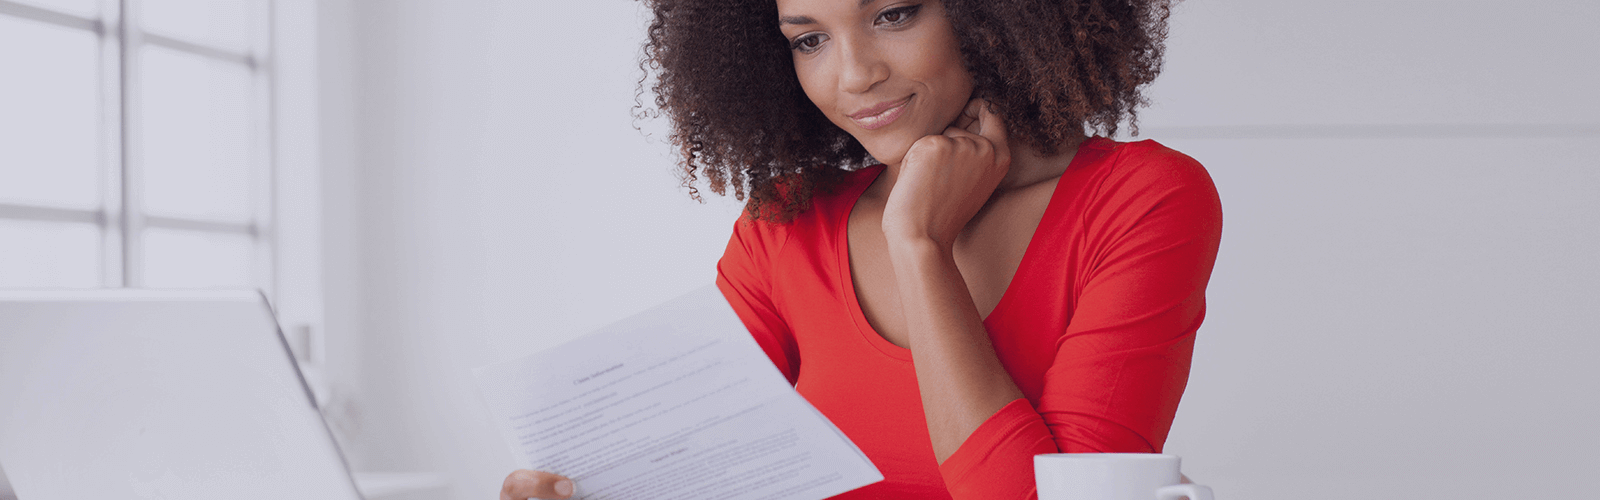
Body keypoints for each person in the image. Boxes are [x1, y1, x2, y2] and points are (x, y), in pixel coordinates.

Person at [501, 0, 1220, 498]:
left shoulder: (1141, 199)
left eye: (894, 14)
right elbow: (702, 474)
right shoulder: (786, 224)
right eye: (808, 38)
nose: (853, 75)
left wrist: (919, 246)